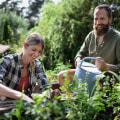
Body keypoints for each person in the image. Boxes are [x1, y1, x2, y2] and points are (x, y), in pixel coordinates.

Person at [58, 4, 120, 88]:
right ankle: (73, 100)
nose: (98, 23)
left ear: (110, 20)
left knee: (97, 83)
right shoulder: (91, 35)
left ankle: (80, 97)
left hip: (107, 79)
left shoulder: (117, 38)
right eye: (96, 19)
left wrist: (106, 66)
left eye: (102, 19)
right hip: (89, 74)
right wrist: (78, 59)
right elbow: (80, 54)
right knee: (63, 76)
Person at [0, 33, 60, 102]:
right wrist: (20, 96)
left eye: (39, 52)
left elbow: (45, 87)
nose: (37, 54)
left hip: (25, 104)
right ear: (25, 45)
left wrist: (52, 93)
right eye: (34, 50)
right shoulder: (8, 61)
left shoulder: (37, 65)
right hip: (4, 104)